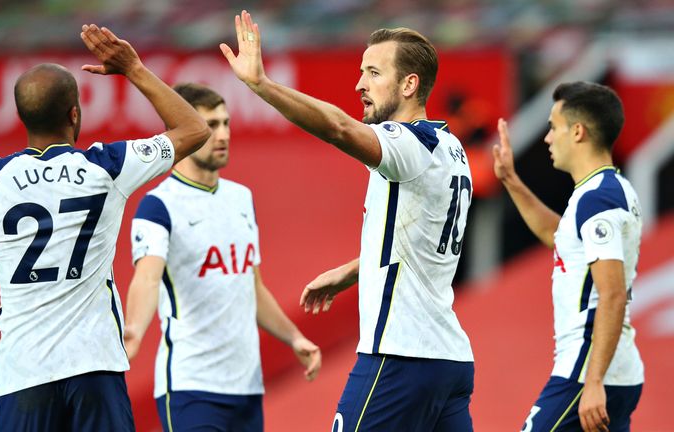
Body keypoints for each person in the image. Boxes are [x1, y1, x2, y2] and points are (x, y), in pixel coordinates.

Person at [0, 25, 210, 431]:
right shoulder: (106, 166)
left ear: (21, 117)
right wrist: (134, 69)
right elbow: (195, 129)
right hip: (95, 368)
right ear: (75, 113)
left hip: (23, 377)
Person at [221, 10, 474, 431]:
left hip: (400, 356)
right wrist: (356, 270)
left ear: (410, 84)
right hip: (449, 360)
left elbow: (339, 127)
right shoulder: (450, 147)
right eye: (361, 72)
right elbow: (421, 242)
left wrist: (261, 85)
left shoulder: (410, 144)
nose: (359, 85)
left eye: (374, 73)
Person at [123, 82, 322, 432]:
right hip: (190, 388)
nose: (223, 134)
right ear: (181, 131)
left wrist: (294, 337)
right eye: (210, 125)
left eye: (226, 123)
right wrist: (133, 334)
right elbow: (147, 277)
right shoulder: (158, 205)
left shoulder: (240, 198)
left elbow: (252, 286)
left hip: (246, 388)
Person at [492, 82, 644, 432]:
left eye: (553, 126)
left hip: (586, 372)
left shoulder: (598, 199)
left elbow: (613, 293)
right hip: (616, 370)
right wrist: (512, 182)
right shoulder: (608, 189)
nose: (547, 138)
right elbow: (558, 237)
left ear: (577, 132)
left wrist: (593, 383)